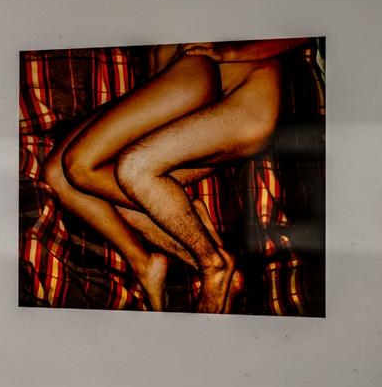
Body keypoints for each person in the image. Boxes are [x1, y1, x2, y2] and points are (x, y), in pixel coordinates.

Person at [42, 38, 308, 314]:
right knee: (60, 175)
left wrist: (229, 51)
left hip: (228, 94)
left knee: (125, 169)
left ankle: (213, 263)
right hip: (179, 89)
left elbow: (301, 31)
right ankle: (145, 263)